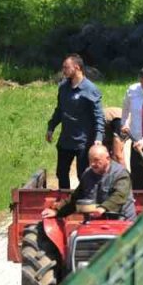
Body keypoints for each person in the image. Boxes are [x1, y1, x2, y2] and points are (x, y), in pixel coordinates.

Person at [45, 54, 105, 190]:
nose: (63, 70)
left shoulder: (90, 89)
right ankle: (64, 202)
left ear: (77, 67)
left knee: (82, 175)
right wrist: (51, 127)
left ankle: (85, 201)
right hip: (66, 140)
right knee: (61, 173)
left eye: (66, 67)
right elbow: (59, 110)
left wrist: (99, 138)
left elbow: (98, 116)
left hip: (83, 143)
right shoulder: (63, 87)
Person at [41, 143, 137, 221]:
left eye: (96, 160)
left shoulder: (121, 174)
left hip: (122, 223)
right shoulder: (88, 174)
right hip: (96, 223)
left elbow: (119, 195)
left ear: (107, 158)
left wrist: (103, 208)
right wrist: (58, 211)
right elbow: (76, 197)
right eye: (90, 161)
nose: (92, 164)